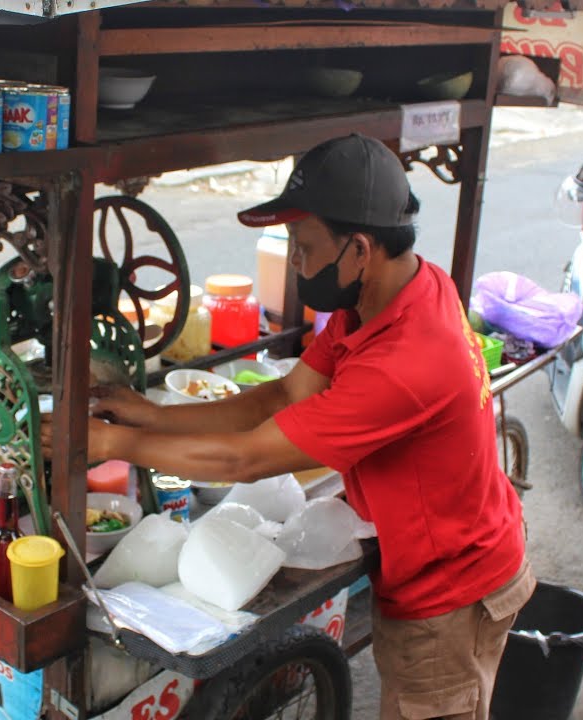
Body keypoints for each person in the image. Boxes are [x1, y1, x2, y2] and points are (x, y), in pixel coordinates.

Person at [46, 134, 534, 720]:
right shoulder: (390, 294)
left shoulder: (406, 360)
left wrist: (115, 443)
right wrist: (152, 414)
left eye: (303, 246)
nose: (296, 262)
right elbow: (281, 395)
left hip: (453, 593)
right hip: (439, 560)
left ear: (360, 248)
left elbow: (245, 459)